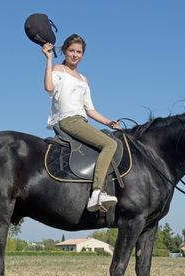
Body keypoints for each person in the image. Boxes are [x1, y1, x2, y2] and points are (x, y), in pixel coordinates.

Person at [42, 34, 120, 212]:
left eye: (79, 52)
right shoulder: (58, 69)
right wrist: (48, 60)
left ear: (83, 55)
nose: (75, 55)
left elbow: (90, 109)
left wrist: (108, 122)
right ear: (64, 51)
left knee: (109, 139)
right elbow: (48, 88)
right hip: (68, 120)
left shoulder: (83, 79)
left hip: (82, 120)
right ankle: (97, 192)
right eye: (71, 51)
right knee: (110, 144)